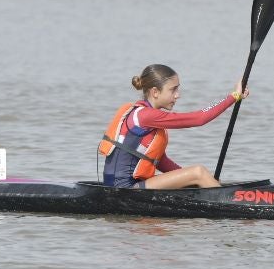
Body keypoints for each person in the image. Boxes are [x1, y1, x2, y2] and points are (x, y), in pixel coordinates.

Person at [99, 63, 247, 190]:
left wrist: (191, 181)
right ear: (155, 92)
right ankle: (232, 203)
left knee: (198, 176)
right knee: (198, 171)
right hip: (125, 189)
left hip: (123, 186)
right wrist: (234, 96)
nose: (177, 95)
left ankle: (215, 190)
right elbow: (200, 118)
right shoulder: (146, 115)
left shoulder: (144, 115)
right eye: (173, 90)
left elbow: (161, 161)